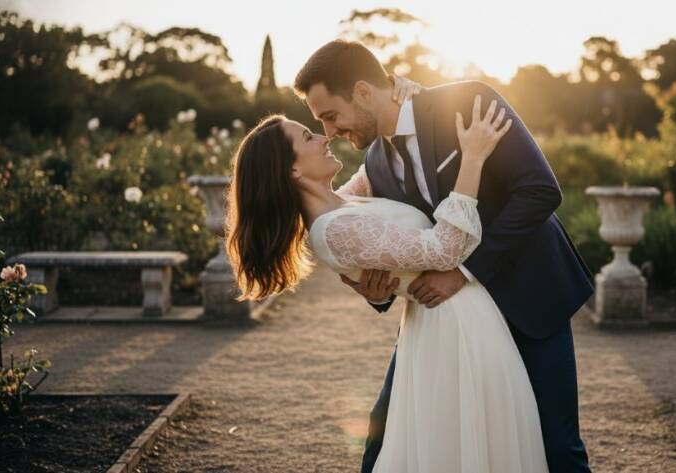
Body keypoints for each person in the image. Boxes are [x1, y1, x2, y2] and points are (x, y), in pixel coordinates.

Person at [294, 40, 594, 472]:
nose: (329, 132)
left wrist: (464, 271)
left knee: (557, 445)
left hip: (528, 297)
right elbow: (393, 243)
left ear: (362, 92)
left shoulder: (468, 102)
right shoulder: (376, 163)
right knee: (382, 432)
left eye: (329, 116)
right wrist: (376, 290)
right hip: (447, 320)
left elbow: (539, 190)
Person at [226, 95, 550, 471]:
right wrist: (473, 158)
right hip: (453, 326)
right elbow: (445, 250)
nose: (324, 137)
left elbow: (387, 154)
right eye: (309, 136)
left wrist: (398, 97)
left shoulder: (342, 201)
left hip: (458, 319)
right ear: (293, 172)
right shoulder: (335, 230)